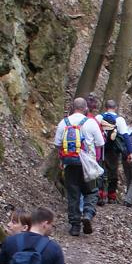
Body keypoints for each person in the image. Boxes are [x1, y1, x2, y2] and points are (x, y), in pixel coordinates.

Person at [53, 97, 104, 236]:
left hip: (70, 163)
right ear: (85, 108)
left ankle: (75, 226)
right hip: (88, 165)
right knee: (92, 191)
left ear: (72, 107)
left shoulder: (64, 122)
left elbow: (57, 144)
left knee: (73, 193)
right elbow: (100, 143)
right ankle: (87, 214)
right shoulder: (91, 123)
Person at [96, 99, 130, 206]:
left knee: (101, 171)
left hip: (101, 148)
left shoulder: (98, 117)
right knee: (113, 171)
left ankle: (100, 194)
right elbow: (125, 136)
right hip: (114, 150)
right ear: (116, 108)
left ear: (105, 107)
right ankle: (111, 196)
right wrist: (130, 151)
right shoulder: (119, 120)